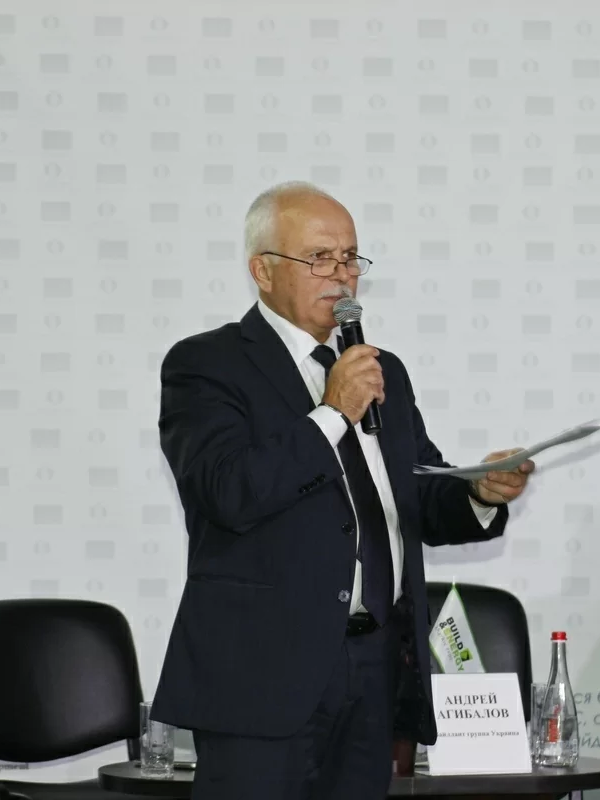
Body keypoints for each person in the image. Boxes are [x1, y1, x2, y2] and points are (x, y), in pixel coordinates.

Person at [150, 181, 534, 800]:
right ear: (262, 271)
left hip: (373, 667)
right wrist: (332, 414)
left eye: (351, 257)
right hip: (262, 676)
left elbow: (415, 497)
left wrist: (479, 492)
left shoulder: (383, 371)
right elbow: (228, 491)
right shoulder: (207, 364)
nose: (342, 274)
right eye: (320, 257)